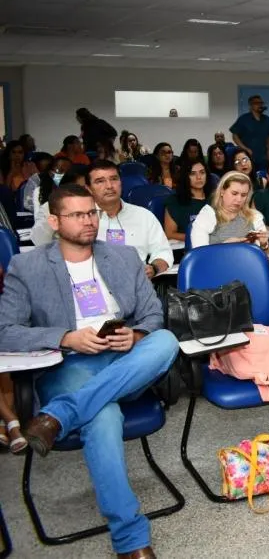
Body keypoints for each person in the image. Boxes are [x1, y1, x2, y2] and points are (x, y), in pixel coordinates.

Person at [0, 183, 179, 558]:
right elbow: (5, 330)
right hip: (67, 363)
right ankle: (131, 538)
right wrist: (66, 337)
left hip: (126, 361)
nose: (88, 221)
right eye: (77, 214)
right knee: (103, 414)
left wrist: (136, 334)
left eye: (92, 213)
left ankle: (58, 416)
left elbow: (153, 315)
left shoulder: (124, 257)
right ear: (54, 220)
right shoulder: (27, 265)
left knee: (165, 342)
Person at [33, 161, 173, 279]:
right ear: (88, 188)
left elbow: (163, 252)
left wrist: (154, 268)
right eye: (100, 181)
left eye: (114, 179)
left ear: (121, 183)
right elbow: (40, 242)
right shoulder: (76, 217)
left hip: (136, 286)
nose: (109, 186)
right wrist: (52, 209)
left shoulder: (143, 216)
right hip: (87, 285)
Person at [190, 171, 268, 249]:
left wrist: (264, 246)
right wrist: (225, 247)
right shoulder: (207, 215)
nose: (239, 199)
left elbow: (267, 259)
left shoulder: (255, 217)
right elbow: (200, 256)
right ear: (222, 191)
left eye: (243, 195)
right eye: (234, 193)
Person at [163, 159, 209, 243]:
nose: (199, 177)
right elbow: (169, 234)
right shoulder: (174, 201)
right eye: (192, 174)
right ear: (185, 177)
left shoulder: (215, 199)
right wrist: (199, 238)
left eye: (202, 172)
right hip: (186, 249)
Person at [230, 94, 269, 170]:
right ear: (251, 105)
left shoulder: (266, 119)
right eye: (257, 103)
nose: (260, 105)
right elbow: (235, 136)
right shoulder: (244, 119)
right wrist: (245, 149)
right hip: (249, 157)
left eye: (261, 103)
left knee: (262, 178)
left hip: (263, 157)